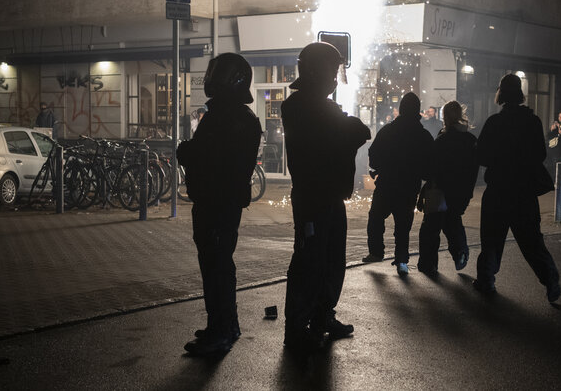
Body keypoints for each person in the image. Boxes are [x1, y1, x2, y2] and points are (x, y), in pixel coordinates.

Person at [281, 42, 371, 352]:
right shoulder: (302, 107)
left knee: (331, 260)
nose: (335, 78)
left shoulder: (315, 107)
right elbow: (357, 131)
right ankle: (297, 326)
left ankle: (321, 317)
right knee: (310, 261)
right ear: (319, 72)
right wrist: (340, 123)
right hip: (312, 198)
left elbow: (358, 131)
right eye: (333, 72)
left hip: (329, 196)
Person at [176, 53, 262, 356]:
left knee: (215, 266)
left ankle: (220, 331)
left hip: (215, 201)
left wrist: (184, 151)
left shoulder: (223, 116)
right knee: (221, 264)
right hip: (225, 201)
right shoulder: (242, 116)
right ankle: (225, 325)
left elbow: (201, 155)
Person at [474, 74, 561, 303]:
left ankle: (486, 279)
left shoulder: (494, 122)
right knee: (531, 241)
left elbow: (481, 154)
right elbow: (540, 154)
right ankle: (550, 279)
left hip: (499, 189)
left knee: (491, 238)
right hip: (523, 190)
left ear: (500, 94)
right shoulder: (533, 121)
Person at [361, 92, 434, 276]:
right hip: (409, 186)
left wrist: (377, 169)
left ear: (401, 109)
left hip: (387, 183)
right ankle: (402, 259)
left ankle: (376, 251)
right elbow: (429, 165)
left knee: (376, 217)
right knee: (403, 225)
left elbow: (374, 154)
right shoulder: (423, 135)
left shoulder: (388, 130)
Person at [417, 101, 478, 274]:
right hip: (460, 191)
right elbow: (474, 170)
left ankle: (428, 263)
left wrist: (425, 188)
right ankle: (460, 254)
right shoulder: (470, 140)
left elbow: (432, 168)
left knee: (431, 227)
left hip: (440, 190)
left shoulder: (442, 139)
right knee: (453, 222)